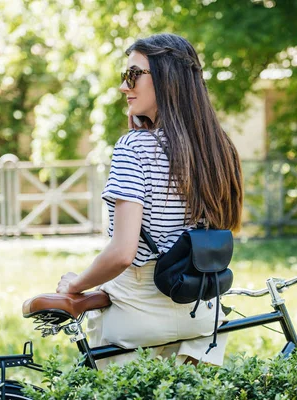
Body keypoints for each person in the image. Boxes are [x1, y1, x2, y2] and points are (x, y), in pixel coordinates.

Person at [55, 33, 243, 368]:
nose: (123, 87)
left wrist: (76, 283)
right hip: (202, 316)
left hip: (137, 318)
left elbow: (123, 253)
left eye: (132, 75)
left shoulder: (134, 148)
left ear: (168, 79)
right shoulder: (220, 149)